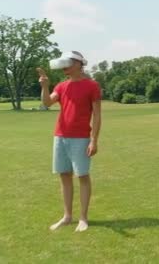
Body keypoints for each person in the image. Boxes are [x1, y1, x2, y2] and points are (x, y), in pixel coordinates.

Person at [37, 51, 102, 232]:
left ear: (79, 64)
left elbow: (97, 115)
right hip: (60, 136)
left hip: (81, 138)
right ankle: (67, 216)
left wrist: (93, 140)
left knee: (82, 176)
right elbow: (47, 103)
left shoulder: (92, 85)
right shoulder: (61, 86)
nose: (64, 66)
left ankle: (83, 218)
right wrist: (45, 86)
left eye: (68, 62)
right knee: (64, 176)